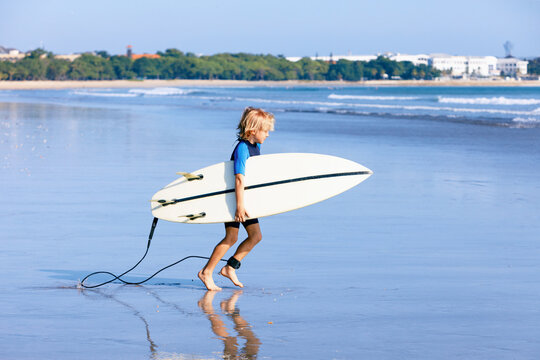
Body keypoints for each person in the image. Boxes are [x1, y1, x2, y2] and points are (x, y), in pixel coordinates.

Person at [198, 107, 275, 291]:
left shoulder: (256, 146)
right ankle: (206, 272)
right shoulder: (242, 148)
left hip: (245, 200)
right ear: (253, 131)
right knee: (231, 237)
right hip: (234, 200)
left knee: (255, 236)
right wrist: (239, 206)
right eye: (265, 131)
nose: (268, 135)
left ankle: (229, 267)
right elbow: (239, 178)